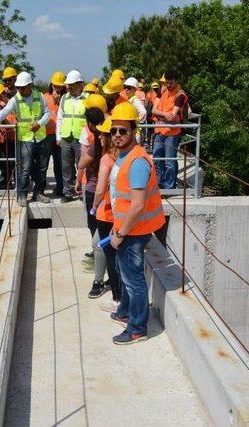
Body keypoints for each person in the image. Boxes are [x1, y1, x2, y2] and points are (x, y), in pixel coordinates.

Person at [108, 101, 165, 345]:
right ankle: (126, 313)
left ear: (134, 131)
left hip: (134, 230)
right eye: (114, 131)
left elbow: (138, 204)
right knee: (126, 273)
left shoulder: (137, 162)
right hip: (126, 227)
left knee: (134, 280)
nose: (118, 135)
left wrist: (120, 232)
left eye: (123, 131)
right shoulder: (125, 156)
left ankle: (137, 328)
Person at [0, 72, 51, 207]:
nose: (19, 90)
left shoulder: (39, 96)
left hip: (40, 137)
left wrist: (39, 123)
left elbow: (47, 113)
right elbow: (4, 112)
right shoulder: (15, 99)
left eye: (22, 87)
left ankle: (39, 193)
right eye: (18, 88)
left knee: (42, 168)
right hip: (25, 138)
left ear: (30, 86)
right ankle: (22, 195)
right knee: (25, 168)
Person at [77, 94, 108, 298]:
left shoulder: (99, 143)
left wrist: (95, 203)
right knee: (99, 236)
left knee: (99, 239)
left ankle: (99, 281)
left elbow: (81, 162)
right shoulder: (101, 138)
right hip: (97, 192)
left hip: (100, 196)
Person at [91, 118, 121, 313]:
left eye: (103, 134)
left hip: (106, 215)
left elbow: (100, 189)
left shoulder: (106, 159)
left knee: (110, 256)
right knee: (120, 257)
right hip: (121, 215)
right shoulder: (123, 157)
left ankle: (117, 299)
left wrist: (94, 206)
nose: (100, 137)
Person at [152, 69, 189, 189]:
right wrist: (163, 114)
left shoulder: (180, 95)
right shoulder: (163, 90)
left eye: (171, 83)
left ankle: (168, 187)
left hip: (172, 132)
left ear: (176, 81)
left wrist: (159, 115)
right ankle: (160, 183)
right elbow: (153, 110)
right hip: (159, 130)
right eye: (166, 83)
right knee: (157, 159)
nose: (168, 85)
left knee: (169, 161)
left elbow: (173, 116)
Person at [56, 69, 87, 203]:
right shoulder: (64, 98)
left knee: (82, 166)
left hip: (82, 139)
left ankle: (82, 191)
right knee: (66, 167)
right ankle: (68, 192)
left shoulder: (88, 99)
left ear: (80, 84)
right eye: (68, 85)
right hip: (66, 138)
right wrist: (58, 136)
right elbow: (60, 118)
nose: (68, 87)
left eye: (71, 84)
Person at [43, 71, 66, 197]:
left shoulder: (65, 99)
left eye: (59, 86)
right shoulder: (45, 97)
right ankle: (40, 188)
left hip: (59, 136)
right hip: (46, 135)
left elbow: (63, 117)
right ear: (51, 84)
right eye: (55, 86)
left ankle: (60, 188)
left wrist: (58, 102)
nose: (56, 88)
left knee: (59, 164)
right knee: (43, 164)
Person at [122, 77, 147, 143]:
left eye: (129, 88)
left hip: (135, 133)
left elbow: (143, 112)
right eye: (125, 87)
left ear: (134, 89)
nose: (126, 89)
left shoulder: (135, 100)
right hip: (131, 131)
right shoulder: (130, 99)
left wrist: (136, 123)